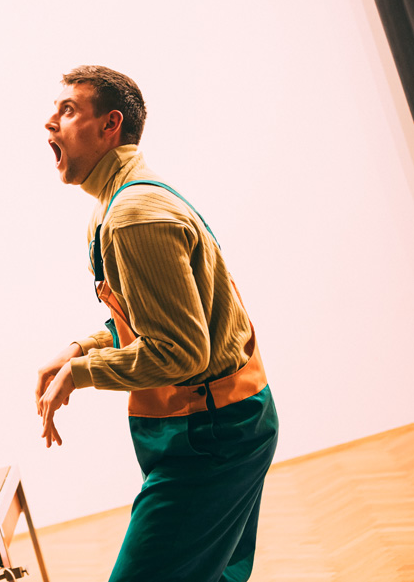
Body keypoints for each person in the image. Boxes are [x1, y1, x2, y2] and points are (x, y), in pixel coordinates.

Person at [35, 65, 279, 582]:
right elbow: (153, 319)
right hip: (217, 425)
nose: (50, 122)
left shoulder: (134, 214)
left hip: (210, 435)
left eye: (68, 110)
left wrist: (81, 374)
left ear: (111, 125)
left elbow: (181, 352)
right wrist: (81, 347)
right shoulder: (117, 205)